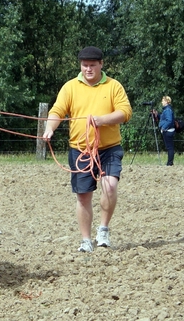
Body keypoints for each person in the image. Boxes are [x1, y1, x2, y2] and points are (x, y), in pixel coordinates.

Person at [42, 46, 132, 253]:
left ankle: (103, 229)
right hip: (80, 150)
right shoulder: (70, 87)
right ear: (80, 65)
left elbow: (125, 112)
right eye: (85, 65)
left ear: (101, 64)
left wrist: (101, 120)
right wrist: (49, 128)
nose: (88, 69)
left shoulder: (113, 86)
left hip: (109, 148)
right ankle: (85, 240)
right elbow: (58, 111)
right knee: (83, 196)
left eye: (92, 65)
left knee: (109, 187)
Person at [158, 96, 175, 166]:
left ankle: (170, 163)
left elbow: (169, 120)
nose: (162, 102)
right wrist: (157, 115)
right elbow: (164, 118)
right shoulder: (166, 110)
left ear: (166, 101)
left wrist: (163, 128)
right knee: (169, 146)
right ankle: (170, 162)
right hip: (168, 130)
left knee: (170, 147)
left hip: (168, 131)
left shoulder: (167, 110)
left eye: (163, 100)